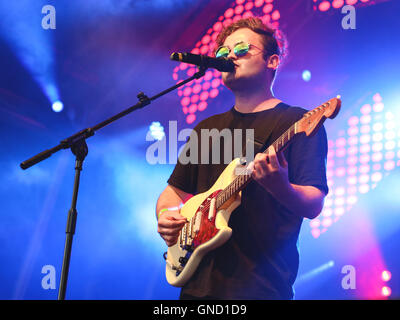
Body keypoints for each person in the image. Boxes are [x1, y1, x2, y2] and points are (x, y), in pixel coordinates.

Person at [156, 17, 329, 300]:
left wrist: (279, 186)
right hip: (196, 287)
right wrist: (166, 215)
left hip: (261, 287)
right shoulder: (207, 128)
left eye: (241, 50)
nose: (230, 57)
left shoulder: (298, 121)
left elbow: (314, 204)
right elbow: (172, 193)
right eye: (223, 53)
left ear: (272, 61)